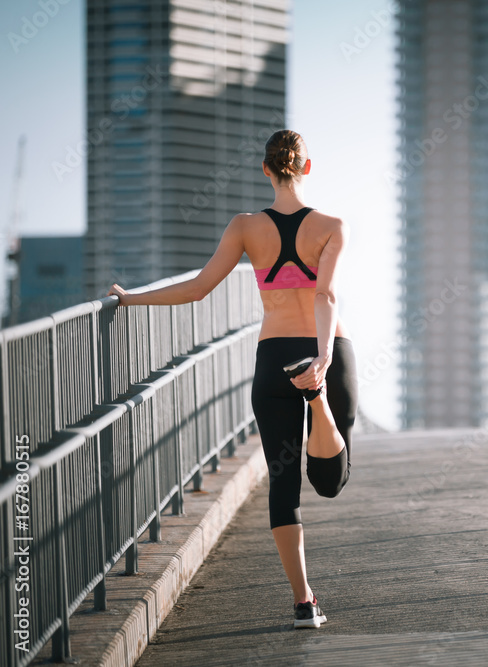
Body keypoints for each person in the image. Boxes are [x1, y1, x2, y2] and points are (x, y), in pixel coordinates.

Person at [107, 129, 357, 629]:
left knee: (283, 485)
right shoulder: (332, 225)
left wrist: (131, 298)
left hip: (274, 358)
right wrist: (323, 360)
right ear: (306, 168)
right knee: (330, 481)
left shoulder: (245, 227)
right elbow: (325, 296)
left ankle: (303, 603)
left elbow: (200, 288)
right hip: (327, 352)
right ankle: (319, 400)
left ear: (266, 169)